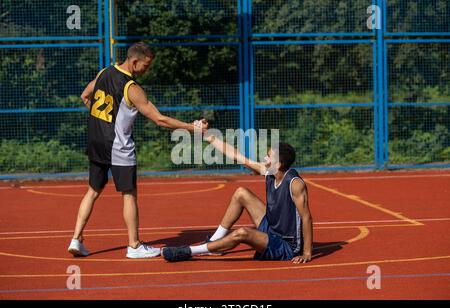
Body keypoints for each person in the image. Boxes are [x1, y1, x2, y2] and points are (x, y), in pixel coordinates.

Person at [68, 42, 208, 259]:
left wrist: (103, 122)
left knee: (93, 190)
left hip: (96, 142)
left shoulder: (104, 72)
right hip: (117, 146)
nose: (147, 70)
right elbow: (160, 119)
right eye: (146, 65)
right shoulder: (131, 87)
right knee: (129, 195)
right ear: (134, 61)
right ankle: (134, 246)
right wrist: (193, 127)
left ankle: (76, 239)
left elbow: (85, 96)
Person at [162, 134, 313, 263]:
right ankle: (213, 243)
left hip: (286, 244)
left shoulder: (295, 184)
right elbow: (237, 156)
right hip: (272, 227)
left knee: (242, 232)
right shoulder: (269, 171)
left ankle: (189, 251)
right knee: (241, 193)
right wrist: (209, 136)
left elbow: (306, 217)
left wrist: (306, 252)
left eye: (268, 156)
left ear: (278, 164)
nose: (264, 157)